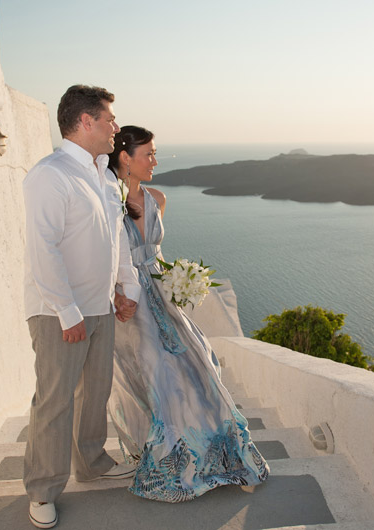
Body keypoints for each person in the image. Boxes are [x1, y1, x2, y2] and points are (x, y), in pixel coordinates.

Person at [107, 125, 269, 503]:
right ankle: (170, 460)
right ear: (125, 159)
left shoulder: (158, 198)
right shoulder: (107, 201)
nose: (155, 161)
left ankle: (224, 453)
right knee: (156, 375)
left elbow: (158, 253)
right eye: (148, 154)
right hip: (130, 306)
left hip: (164, 299)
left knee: (199, 367)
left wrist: (182, 280)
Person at [22, 85, 141, 529]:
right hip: (59, 312)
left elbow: (116, 241)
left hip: (101, 306)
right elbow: (43, 250)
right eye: (109, 119)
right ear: (86, 121)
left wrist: (124, 287)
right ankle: (42, 489)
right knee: (54, 402)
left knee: (96, 392)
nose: (115, 127)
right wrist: (67, 312)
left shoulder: (105, 176)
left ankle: (91, 461)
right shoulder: (50, 175)